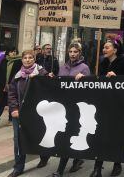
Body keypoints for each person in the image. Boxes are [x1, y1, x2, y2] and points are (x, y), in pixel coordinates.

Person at [91, 40, 124, 177]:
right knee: (101, 134)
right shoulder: (103, 62)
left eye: (107, 47)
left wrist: (117, 78)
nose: (104, 49)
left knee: (116, 134)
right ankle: (98, 167)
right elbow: (98, 80)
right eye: (103, 47)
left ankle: (117, 163)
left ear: (115, 50)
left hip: (119, 104)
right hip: (104, 103)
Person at [51, 42, 90, 177]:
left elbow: (89, 87)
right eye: (71, 52)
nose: (73, 54)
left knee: (68, 137)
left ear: (79, 53)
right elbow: (58, 84)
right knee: (66, 136)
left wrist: (84, 79)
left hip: (75, 109)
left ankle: (60, 171)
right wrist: (52, 79)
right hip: (63, 107)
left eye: (75, 52)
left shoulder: (84, 68)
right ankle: (78, 159)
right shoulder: (63, 67)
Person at [7, 50, 48, 177]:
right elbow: (12, 93)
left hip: (37, 113)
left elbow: (49, 88)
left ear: (34, 59)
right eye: (25, 58)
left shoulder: (42, 73)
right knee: (18, 140)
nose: (28, 60)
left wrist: (42, 79)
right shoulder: (18, 75)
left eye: (31, 58)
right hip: (20, 114)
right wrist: (14, 109)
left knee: (39, 136)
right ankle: (18, 167)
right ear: (22, 60)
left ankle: (44, 156)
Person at [0, 47, 22, 130]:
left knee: (11, 103)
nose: (14, 53)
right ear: (8, 52)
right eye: (12, 51)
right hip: (4, 87)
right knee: (0, 104)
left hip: (13, 86)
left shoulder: (19, 61)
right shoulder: (4, 61)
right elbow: (0, 71)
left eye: (15, 51)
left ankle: (11, 119)